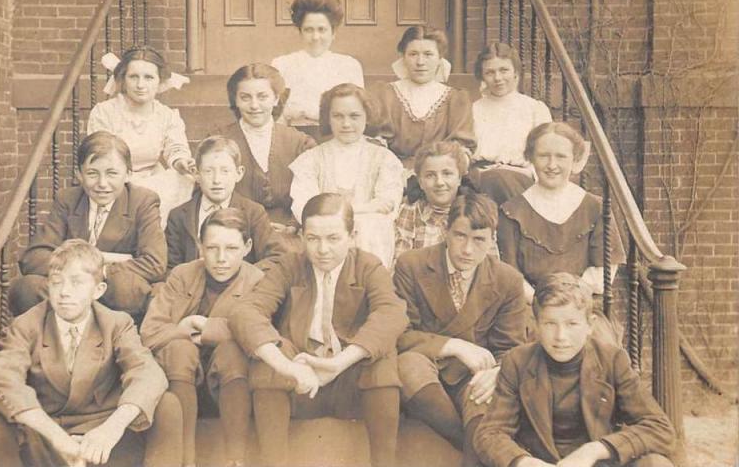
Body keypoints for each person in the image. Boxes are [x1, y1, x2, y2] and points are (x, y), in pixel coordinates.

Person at [230, 193, 408, 467]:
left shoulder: (368, 266)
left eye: (333, 238)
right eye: (313, 238)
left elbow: (392, 313)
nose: (322, 249)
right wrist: (288, 367)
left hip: (351, 384)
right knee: (269, 358)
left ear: (352, 236)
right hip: (301, 382)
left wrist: (338, 363)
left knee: (382, 358)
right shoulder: (290, 266)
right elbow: (247, 312)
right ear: (301, 237)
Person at [0, 240, 182, 467]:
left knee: (167, 405)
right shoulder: (26, 325)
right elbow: (3, 380)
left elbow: (148, 374)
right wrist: (58, 439)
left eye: (76, 283)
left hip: (102, 438)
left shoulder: (116, 324)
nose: (64, 292)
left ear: (98, 290)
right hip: (47, 434)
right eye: (56, 283)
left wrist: (111, 430)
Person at [473, 273, 676, 467]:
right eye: (550, 323)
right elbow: (490, 433)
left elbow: (659, 428)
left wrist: (594, 450)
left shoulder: (612, 360)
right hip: (541, 462)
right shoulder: (517, 362)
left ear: (590, 325)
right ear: (536, 325)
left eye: (572, 324)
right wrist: (524, 462)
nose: (561, 336)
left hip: (596, 463)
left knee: (656, 463)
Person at [394, 193, 527, 467]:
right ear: (446, 231)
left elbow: (511, 347)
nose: (467, 250)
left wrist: (497, 372)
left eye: (479, 240)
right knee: (407, 365)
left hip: (472, 377)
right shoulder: (412, 265)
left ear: (492, 239)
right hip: (426, 370)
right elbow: (401, 333)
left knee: (487, 394)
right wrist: (454, 345)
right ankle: (477, 441)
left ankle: (475, 446)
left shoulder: (507, 280)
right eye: (460, 236)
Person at [142, 209, 264, 467]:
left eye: (231, 248)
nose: (221, 259)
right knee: (179, 349)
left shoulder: (257, 281)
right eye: (212, 248)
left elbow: (261, 333)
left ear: (247, 247)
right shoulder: (182, 275)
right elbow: (149, 332)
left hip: (231, 386)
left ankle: (235, 460)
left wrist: (206, 328)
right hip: (181, 383)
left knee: (232, 351)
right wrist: (183, 329)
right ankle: (187, 460)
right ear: (199, 246)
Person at [10, 132, 166, 321]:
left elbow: (155, 264)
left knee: (124, 287)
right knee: (26, 288)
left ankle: (103, 333)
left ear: (128, 174)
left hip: (113, 295)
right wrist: (87, 268)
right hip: (71, 291)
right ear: (80, 175)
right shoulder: (67, 199)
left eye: (112, 173)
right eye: (92, 173)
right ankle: (67, 334)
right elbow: (33, 258)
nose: (102, 184)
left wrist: (102, 272)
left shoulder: (143, 201)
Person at [497, 123, 625, 338]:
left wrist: (571, 299)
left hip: (583, 306)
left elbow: (605, 268)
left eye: (561, 157)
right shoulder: (512, 212)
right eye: (543, 156)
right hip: (532, 308)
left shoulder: (595, 208)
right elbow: (511, 274)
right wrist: (542, 300)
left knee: (597, 342)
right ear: (530, 158)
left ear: (574, 160)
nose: (552, 165)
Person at [289, 83, 404, 267]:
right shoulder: (311, 159)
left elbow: (387, 204)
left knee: (371, 225)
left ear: (367, 117)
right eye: (338, 116)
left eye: (354, 116)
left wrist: (343, 211)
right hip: (323, 239)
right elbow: (304, 207)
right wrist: (364, 208)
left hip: (370, 239)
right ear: (328, 118)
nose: (346, 124)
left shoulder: (384, 158)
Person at [207, 63, 316, 249]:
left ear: (276, 98)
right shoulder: (218, 141)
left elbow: (313, 192)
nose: (254, 105)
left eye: (262, 96)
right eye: (245, 97)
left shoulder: (299, 143)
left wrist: (294, 224)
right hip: (234, 232)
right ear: (235, 100)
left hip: (286, 234)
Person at [88, 46, 196, 226]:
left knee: (183, 179)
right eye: (133, 77)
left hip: (153, 177)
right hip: (117, 179)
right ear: (123, 79)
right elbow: (99, 154)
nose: (140, 85)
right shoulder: (105, 112)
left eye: (148, 77)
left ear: (159, 81)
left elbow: (175, 147)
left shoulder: (166, 115)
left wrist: (181, 161)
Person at [165, 136, 287, 271]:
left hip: (241, 290)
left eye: (225, 171)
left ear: (238, 173)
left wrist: (242, 278)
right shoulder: (179, 216)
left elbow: (276, 258)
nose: (216, 180)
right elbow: (171, 267)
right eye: (208, 171)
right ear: (196, 174)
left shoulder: (253, 213)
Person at [371, 25, 474, 172]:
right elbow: (376, 146)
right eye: (413, 54)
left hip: (440, 177)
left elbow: (461, 150)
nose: (420, 62)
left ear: (440, 58)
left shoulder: (456, 99)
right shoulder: (385, 94)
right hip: (393, 173)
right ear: (403, 57)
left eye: (428, 54)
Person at [271, 0, 365, 144]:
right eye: (309, 30)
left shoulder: (349, 66)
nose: (315, 37)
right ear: (300, 32)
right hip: (292, 141)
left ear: (333, 32)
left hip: (336, 141)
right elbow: (276, 118)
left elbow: (357, 115)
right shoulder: (282, 65)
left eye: (322, 30)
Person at [469, 43, 552, 206]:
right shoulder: (474, 109)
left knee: (498, 181)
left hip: (520, 181)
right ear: (482, 76)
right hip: (481, 180)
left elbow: (546, 152)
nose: (498, 78)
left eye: (504, 70)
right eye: (490, 72)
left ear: (516, 72)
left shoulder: (534, 108)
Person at [394, 140, 471, 263]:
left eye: (447, 174)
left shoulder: (476, 212)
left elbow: (490, 267)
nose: (439, 182)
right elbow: (400, 261)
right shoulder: (410, 211)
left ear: (459, 179)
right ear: (420, 182)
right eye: (430, 175)